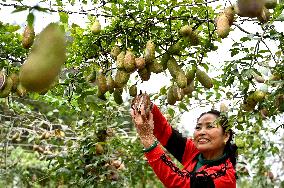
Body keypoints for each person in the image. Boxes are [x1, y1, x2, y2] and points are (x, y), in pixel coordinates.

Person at [131, 94, 237, 188]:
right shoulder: (194, 153)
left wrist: (147, 139)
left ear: (226, 136)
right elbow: (165, 133)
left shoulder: (224, 177)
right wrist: (149, 107)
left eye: (210, 126)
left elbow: (181, 183)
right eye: (198, 127)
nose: (201, 132)